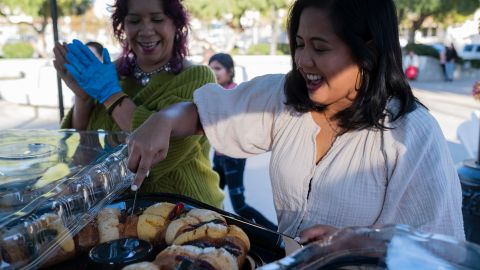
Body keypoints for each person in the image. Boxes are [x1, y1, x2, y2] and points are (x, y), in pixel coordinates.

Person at [128, 0, 464, 244]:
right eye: (299, 44)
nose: (303, 61)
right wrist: (163, 119)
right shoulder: (284, 96)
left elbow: (439, 251)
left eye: (320, 48)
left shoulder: (412, 133)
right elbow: (208, 113)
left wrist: (364, 245)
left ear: (368, 51)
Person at [52, 0, 224, 208]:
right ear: (122, 26)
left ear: (176, 24)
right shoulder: (106, 75)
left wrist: (110, 95)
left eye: (157, 19)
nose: (146, 30)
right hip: (115, 215)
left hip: (187, 214)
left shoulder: (197, 78)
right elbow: (76, 156)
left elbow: (153, 156)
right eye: (134, 21)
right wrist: (83, 98)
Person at [208, 53, 277, 230]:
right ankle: (216, 228)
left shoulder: (236, 92)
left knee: (239, 206)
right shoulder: (214, 92)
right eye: (210, 68)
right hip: (219, 155)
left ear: (230, 71)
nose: (213, 72)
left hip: (233, 157)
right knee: (210, 198)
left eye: (218, 68)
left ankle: (274, 232)